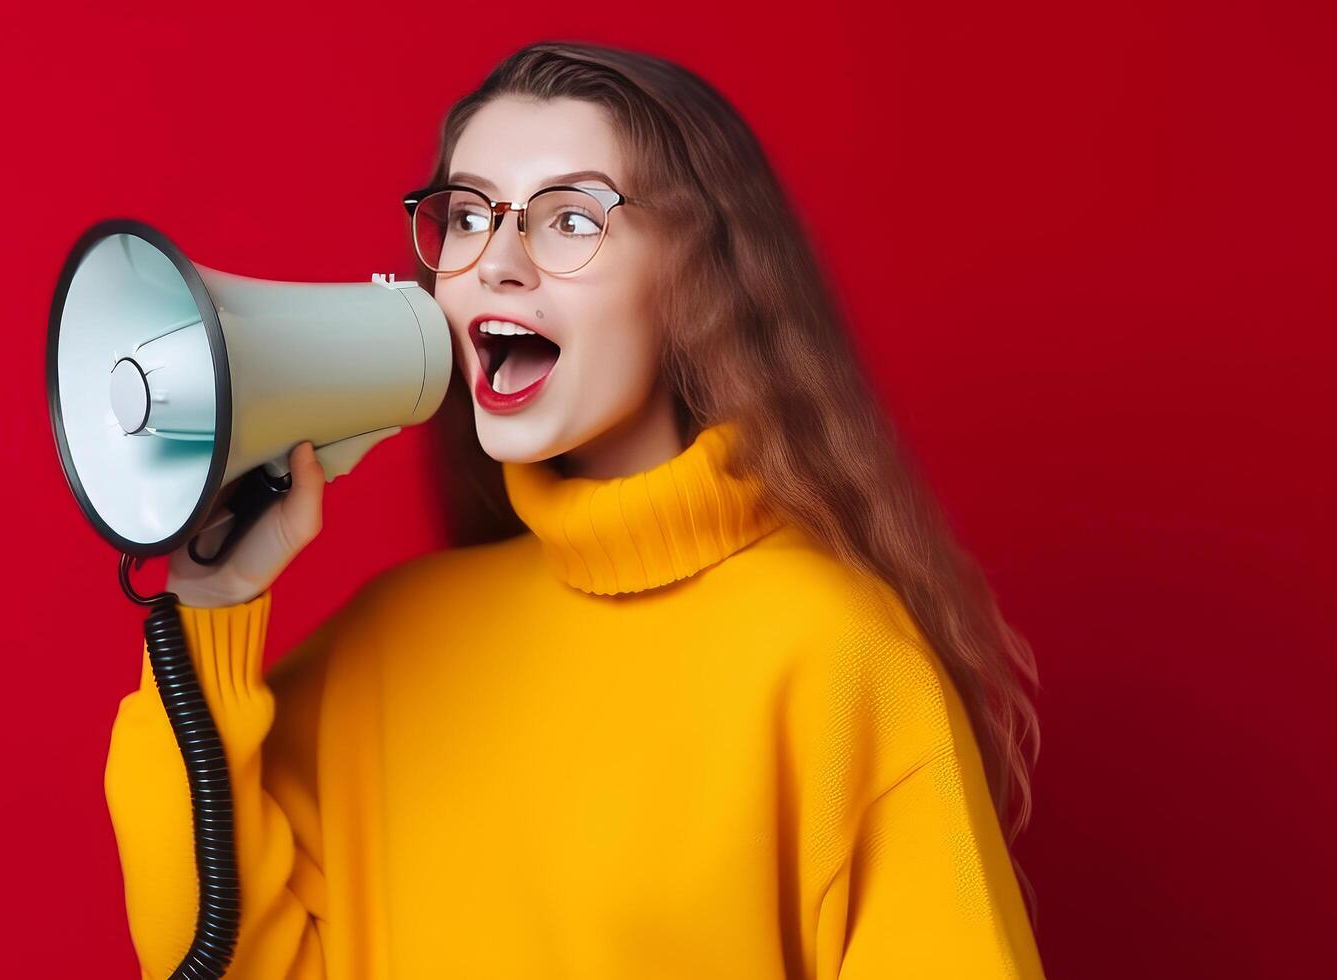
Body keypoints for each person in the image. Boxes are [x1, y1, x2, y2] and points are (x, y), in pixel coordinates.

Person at [104, 41, 1046, 979]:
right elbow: (223, 956)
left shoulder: (837, 655)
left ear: (696, 277)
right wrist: (211, 610)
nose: (497, 264)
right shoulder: (387, 642)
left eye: (568, 219)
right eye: (468, 215)